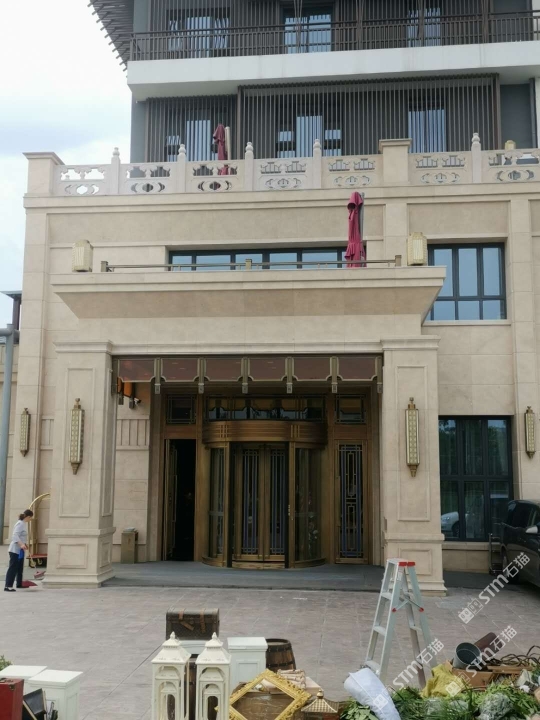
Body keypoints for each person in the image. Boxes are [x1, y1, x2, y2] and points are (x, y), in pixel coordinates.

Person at [4, 509, 34, 592]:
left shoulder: (23, 524)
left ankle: (19, 583)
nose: (30, 520)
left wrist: (24, 544)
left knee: (20, 567)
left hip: (20, 550)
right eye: (30, 518)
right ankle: (8, 586)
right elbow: (15, 535)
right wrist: (21, 544)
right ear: (28, 517)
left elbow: (21, 536)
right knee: (13, 567)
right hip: (15, 550)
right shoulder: (20, 524)